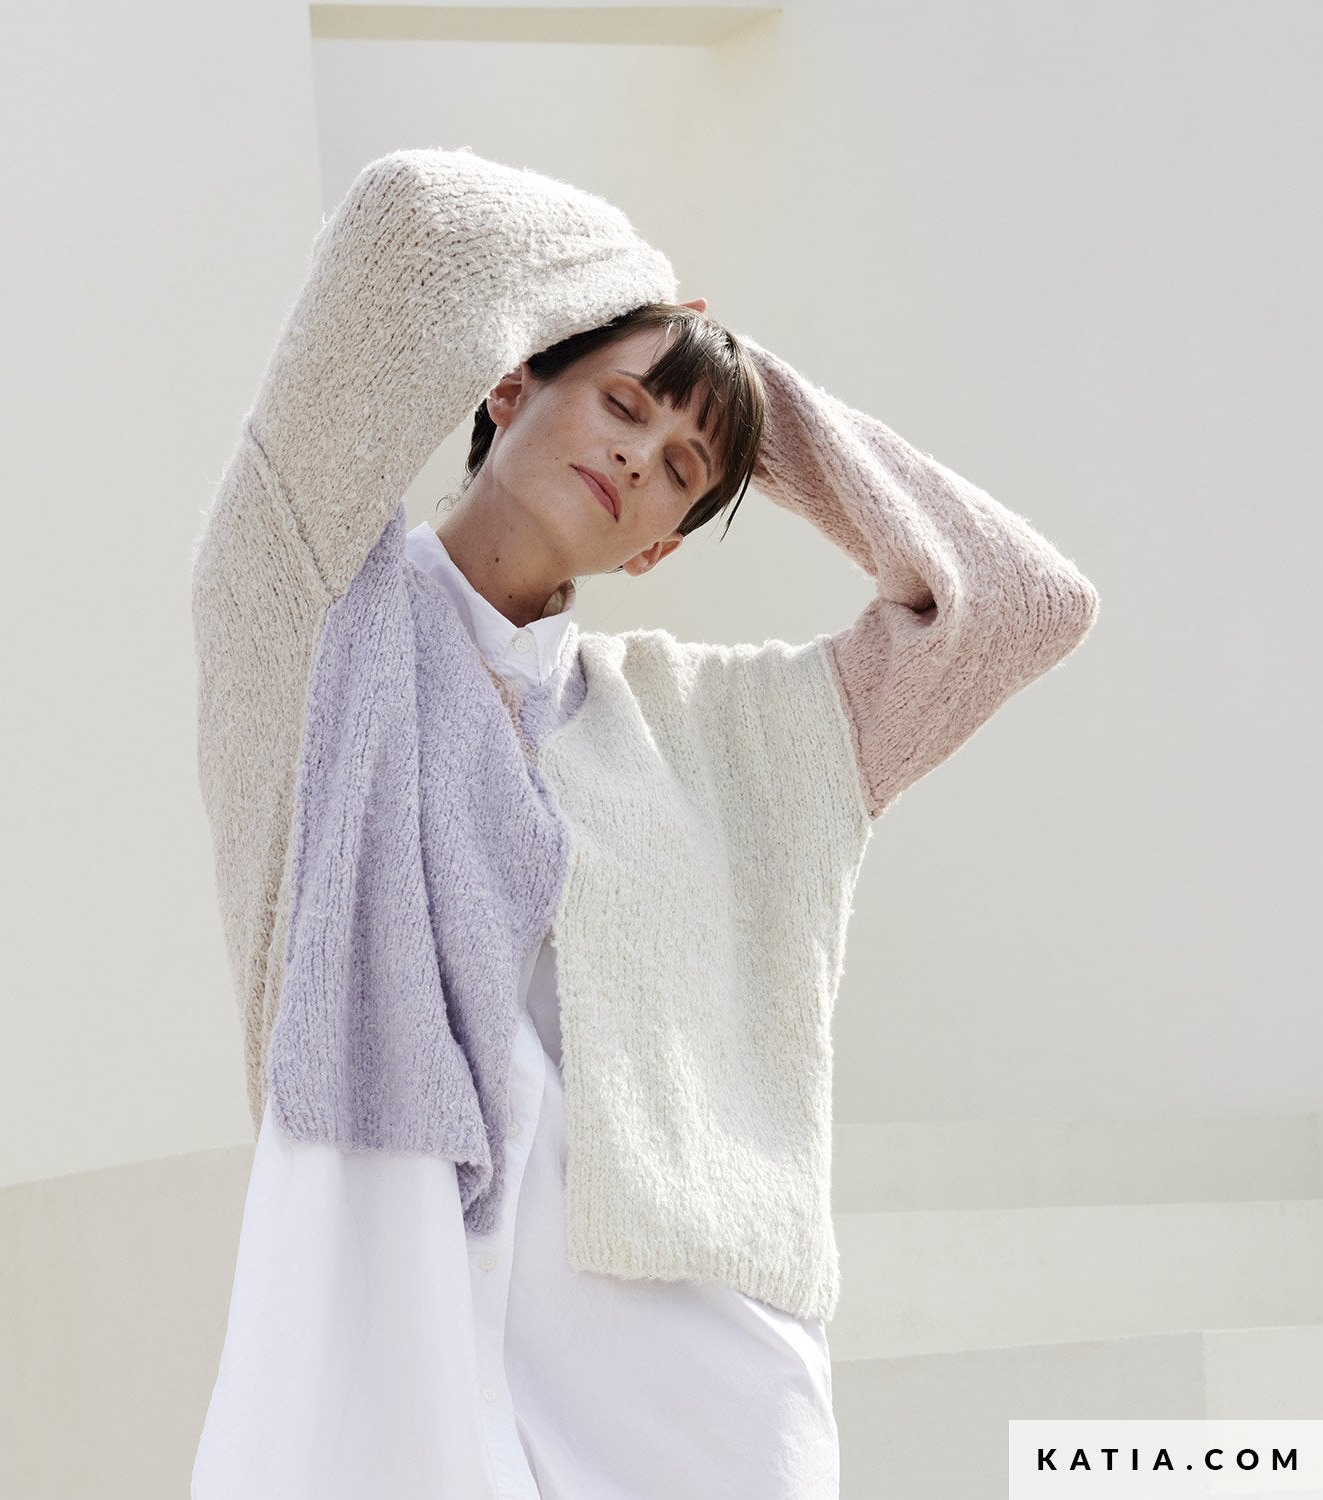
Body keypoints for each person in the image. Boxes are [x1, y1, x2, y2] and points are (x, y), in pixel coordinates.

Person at [189, 146, 1099, 1498]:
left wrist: (748, 404)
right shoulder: (310, 610)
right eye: (620, 402)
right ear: (508, 385)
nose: (639, 454)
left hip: (682, 1357)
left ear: (661, 547)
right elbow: (410, 219)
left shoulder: (718, 733)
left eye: (684, 469)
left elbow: (1020, 606)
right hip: (389, 1275)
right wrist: (658, 311)